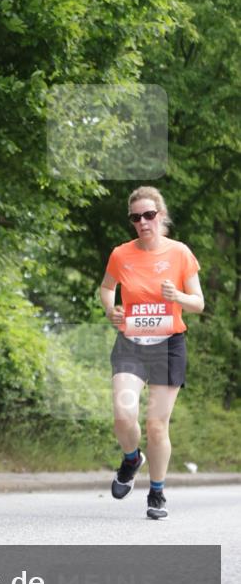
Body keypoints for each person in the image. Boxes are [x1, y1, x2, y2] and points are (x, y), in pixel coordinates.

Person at [99, 186, 204, 520]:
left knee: (157, 425)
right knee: (122, 413)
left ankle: (156, 493)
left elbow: (199, 303)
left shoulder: (180, 253)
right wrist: (110, 309)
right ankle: (132, 459)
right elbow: (106, 288)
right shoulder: (121, 254)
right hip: (131, 341)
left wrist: (178, 297)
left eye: (148, 215)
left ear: (161, 215)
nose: (143, 222)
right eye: (135, 217)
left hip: (169, 344)